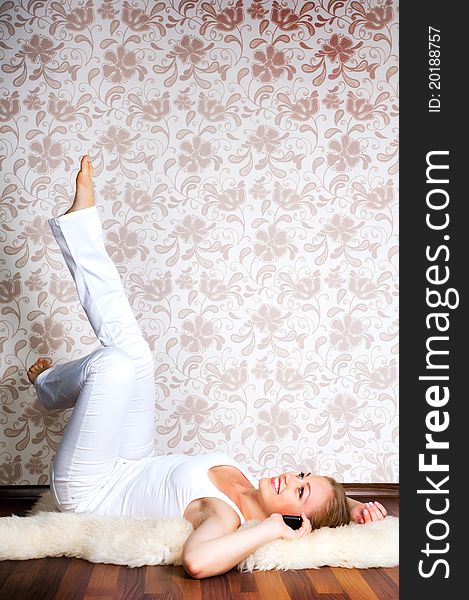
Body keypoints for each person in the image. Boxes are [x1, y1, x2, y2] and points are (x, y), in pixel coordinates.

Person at [27, 156, 387, 579]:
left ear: (296, 521)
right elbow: (328, 508)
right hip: (134, 461)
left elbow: (198, 562)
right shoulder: (248, 483)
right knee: (137, 355)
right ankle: (80, 226)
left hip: (92, 489)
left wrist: (273, 528)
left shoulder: (225, 515)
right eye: (302, 473)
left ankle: (50, 386)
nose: (291, 477)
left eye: (300, 490)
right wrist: (355, 507)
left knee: (115, 367)